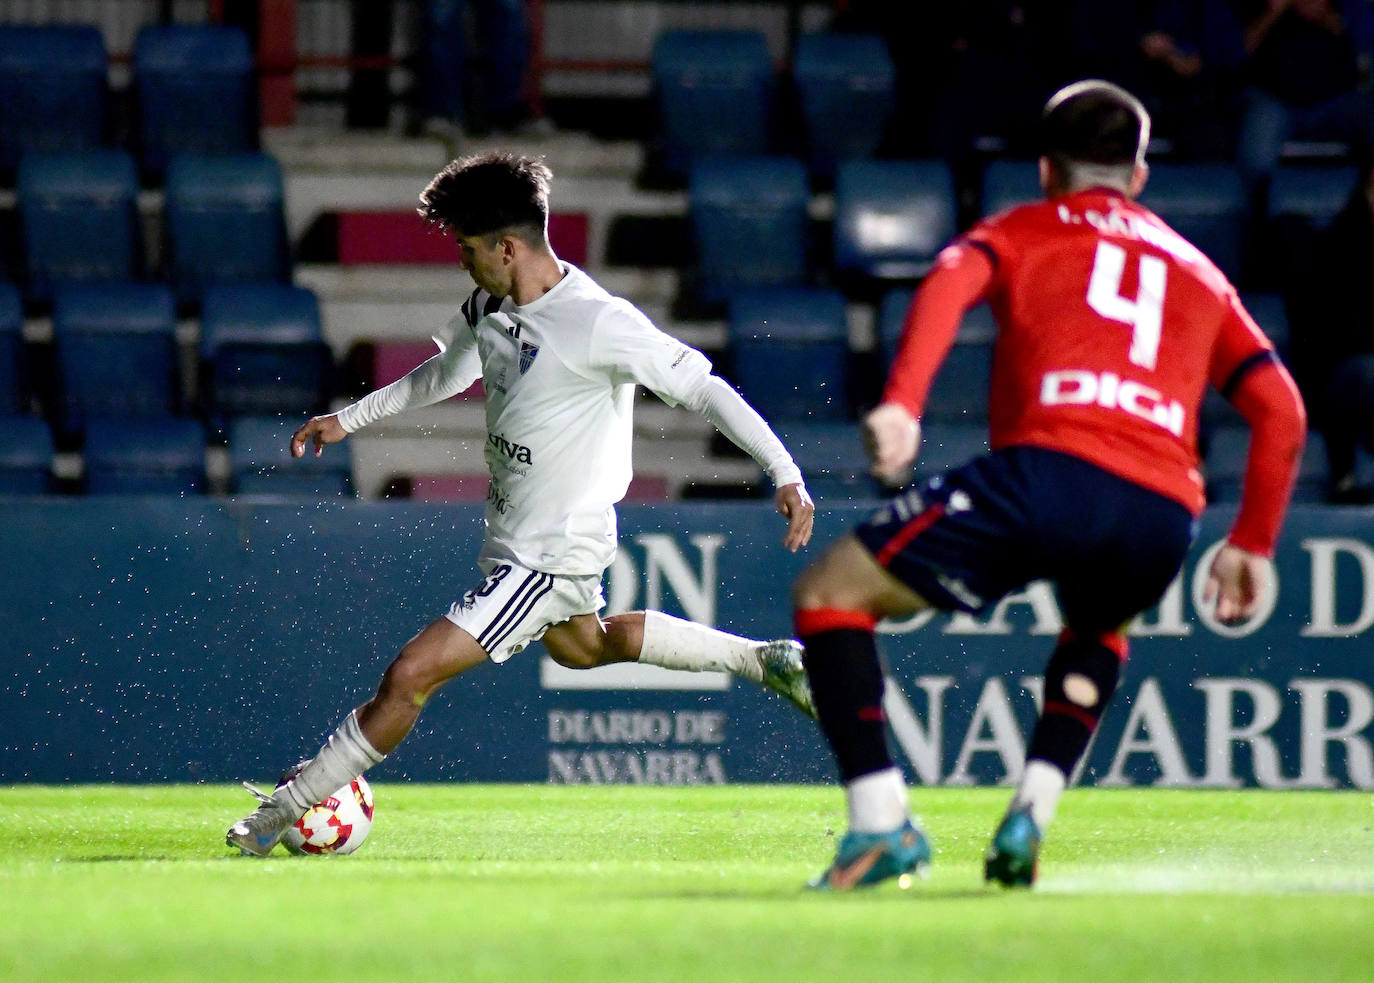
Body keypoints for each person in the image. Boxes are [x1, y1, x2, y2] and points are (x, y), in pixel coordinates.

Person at [791, 79, 1307, 890]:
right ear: (1138, 177)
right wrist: (1254, 543)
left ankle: (880, 824)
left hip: (1053, 471)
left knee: (832, 591)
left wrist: (903, 402)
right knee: (1098, 626)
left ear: (1044, 171)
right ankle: (1031, 809)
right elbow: (1281, 409)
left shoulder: (1026, 228)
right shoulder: (1199, 271)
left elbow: (954, 273)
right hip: (1164, 511)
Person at [227, 151, 817, 856]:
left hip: (549, 554)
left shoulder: (599, 322)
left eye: (469, 250)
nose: (464, 264)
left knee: (409, 676)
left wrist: (782, 469)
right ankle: (763, 659)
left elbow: (705, 388)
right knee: (584, 646)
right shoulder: (490, 304)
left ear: (507, 247)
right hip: (515, 539)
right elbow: (446, 374)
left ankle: (276, 816)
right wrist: (346, 419)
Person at [1286, 160, 1374, 501]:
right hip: (1337, 381)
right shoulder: (1333, 250)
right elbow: (1326, 341)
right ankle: (1345, 479)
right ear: (1366, 193)